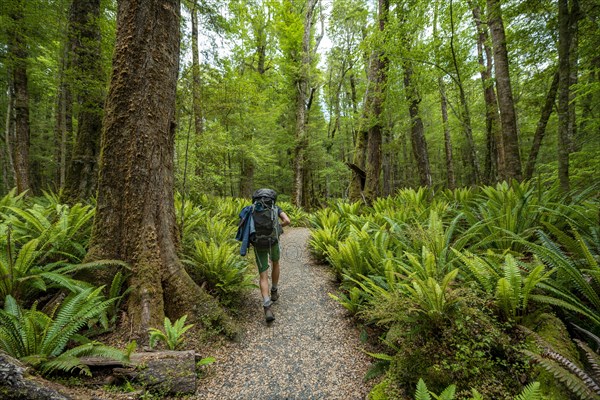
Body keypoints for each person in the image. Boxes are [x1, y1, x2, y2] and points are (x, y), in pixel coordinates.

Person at [236, 188, 290, 323]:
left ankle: (267, 306)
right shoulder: (275, 208)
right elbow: (287, 221)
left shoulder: (251, 209)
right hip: (273, 242)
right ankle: (274, 291)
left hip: (259, 243)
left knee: (263, 274)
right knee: (275, 263)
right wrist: (278, 227)